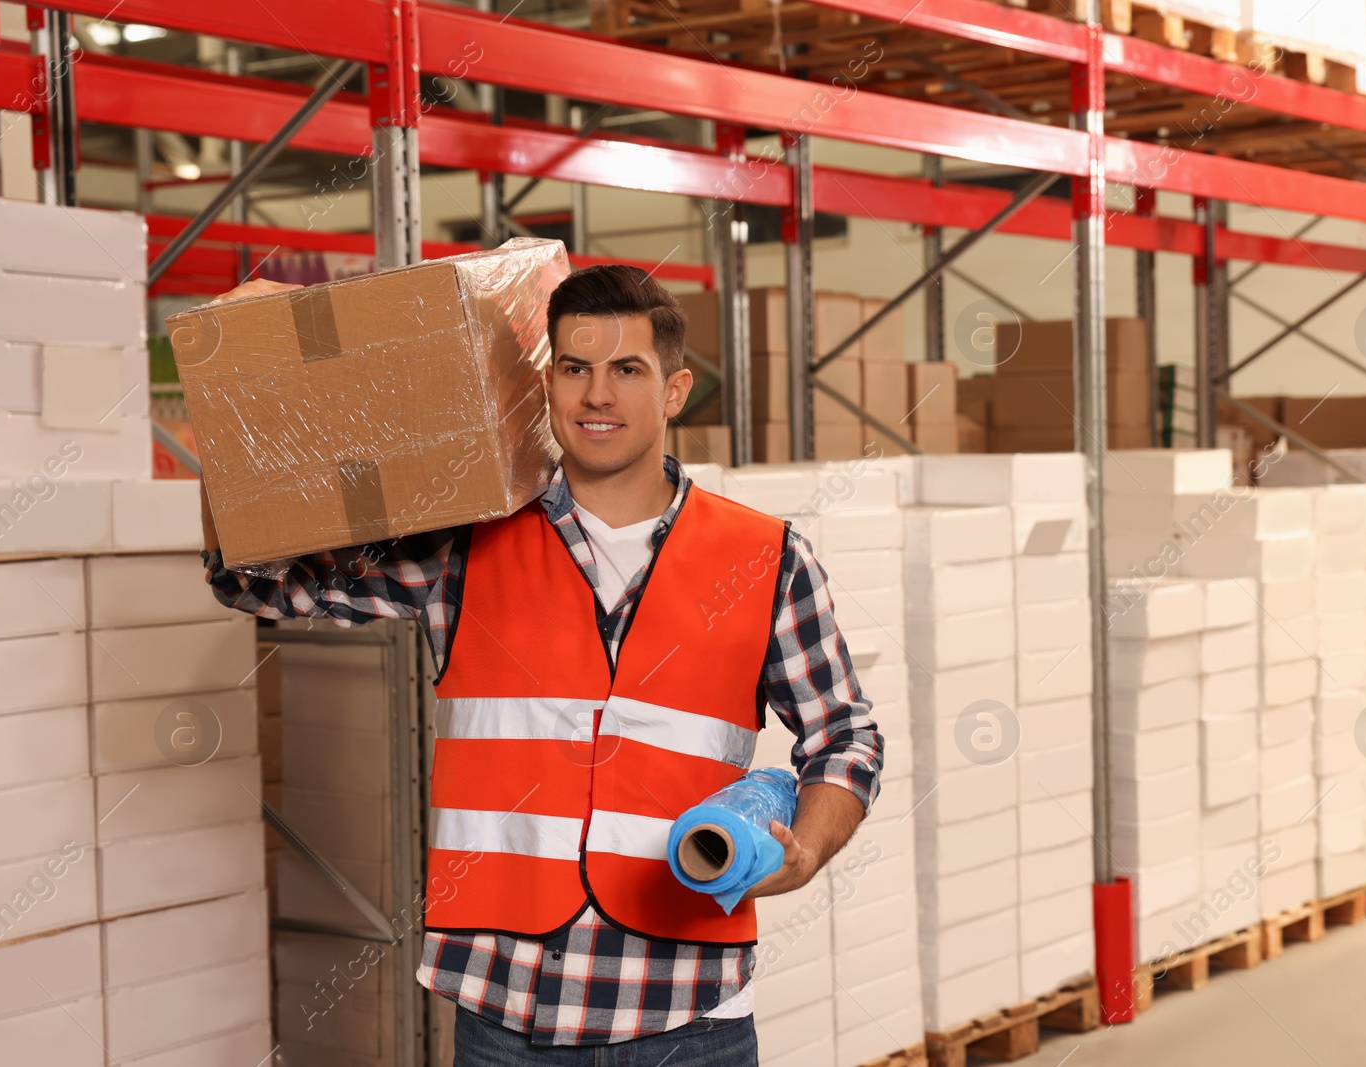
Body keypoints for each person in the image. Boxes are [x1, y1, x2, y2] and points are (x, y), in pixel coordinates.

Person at [199, 263, 884, 1065]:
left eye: (628, 370)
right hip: (506, 1012)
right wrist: (239, 376)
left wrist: (802, 849)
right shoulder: (464, 546)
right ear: (547, 383)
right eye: (575, 368)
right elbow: (256, 581)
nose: (598, 396)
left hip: (688, 1016)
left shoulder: (767, 558)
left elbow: (845, 737)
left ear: (675, 391)